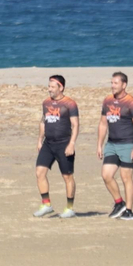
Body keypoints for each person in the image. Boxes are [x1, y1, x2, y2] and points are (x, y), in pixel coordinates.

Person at [96, 72, 133, 221]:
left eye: (115, 83)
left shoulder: (132, 103)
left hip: (127, 144)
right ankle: (119, 203)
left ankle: (129, 210)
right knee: (106, 175)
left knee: (126, 177)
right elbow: (103, 124)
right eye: (111, 83)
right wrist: (99, 144)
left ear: (124, 85)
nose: (112, 86)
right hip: (111, 144)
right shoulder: (108, 101)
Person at [34, 74, 80, 218]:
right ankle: (46, 204)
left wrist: (71, 143)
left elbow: (75, 124)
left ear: (61, 87)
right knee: (39, 172)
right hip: (48, 143)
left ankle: (70, 208)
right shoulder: (46, 103)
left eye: (53, 87)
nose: (49, 89)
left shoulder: (70, 104)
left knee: (67, 177)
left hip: (64, 144)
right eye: (49, 86)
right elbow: (43, 121)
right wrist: (40, 140)